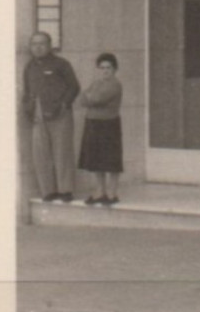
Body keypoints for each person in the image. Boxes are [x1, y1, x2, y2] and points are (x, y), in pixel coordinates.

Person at [21, 31, 81, 203]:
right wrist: (28, 109)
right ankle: (47, 191)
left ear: (49, 45)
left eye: (42, 43)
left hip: (60, 114)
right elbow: (26, 91)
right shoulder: (29, 67)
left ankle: (66, 190)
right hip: (38, 114)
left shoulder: (61, 64)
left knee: (62, 152)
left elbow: (74, 87)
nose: (37, 47)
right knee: (40, 154)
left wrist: (63, 105)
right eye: (34, 44)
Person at [79, 53, 124, 206]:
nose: (105, 71)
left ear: (114, 69)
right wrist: (88, 97)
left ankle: (112, 193)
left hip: (108, 125)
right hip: (93, 123)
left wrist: (89, 96)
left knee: (110, 161)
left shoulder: (115, 84)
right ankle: (100, 192)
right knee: (96, 160)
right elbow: (81, 99)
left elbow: (95, 99)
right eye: (102, 67)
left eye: (108, 68)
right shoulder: (96, 83)